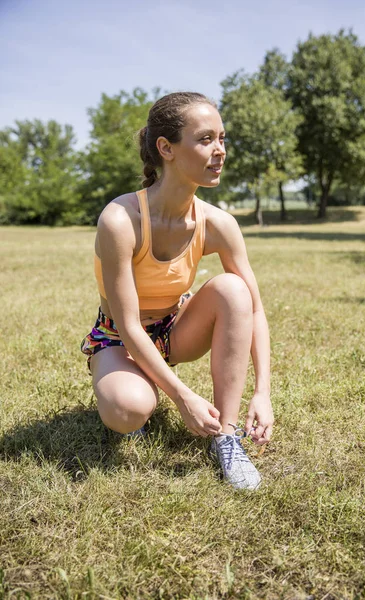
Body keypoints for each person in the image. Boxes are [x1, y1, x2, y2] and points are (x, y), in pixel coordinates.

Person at [81, 92, 274, 490]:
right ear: (165, 148)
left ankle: (226, 435)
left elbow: (254, 310)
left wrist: (263, 392)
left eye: (222, 139)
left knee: (235, 290)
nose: (219, 150)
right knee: (128, 409)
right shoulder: (120, 220)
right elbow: (129, 324)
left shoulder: (218, 223)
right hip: (121, 336)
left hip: (175, 329)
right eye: (205, 139)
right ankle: (135, 389)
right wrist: (183, 397)